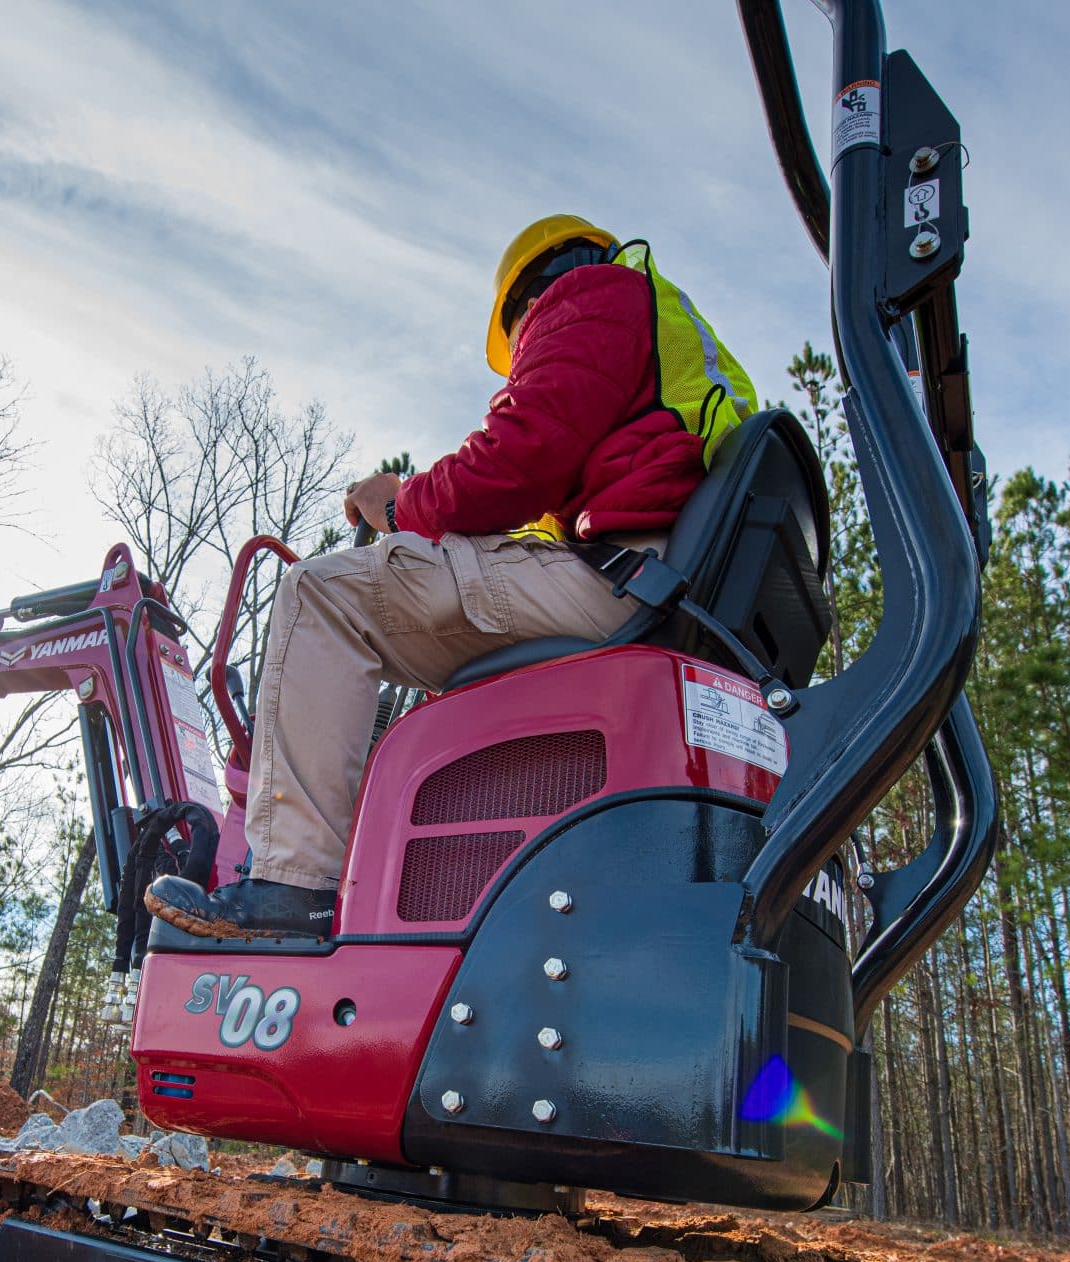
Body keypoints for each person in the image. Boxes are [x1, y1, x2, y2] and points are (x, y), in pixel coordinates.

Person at [146, 215, 757, 940]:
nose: (527, 342)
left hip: (620, 577)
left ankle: (292, 886)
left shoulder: (593, 295)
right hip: (653, 581)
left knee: (321, 594)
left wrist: (401, 503)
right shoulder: (659, 338)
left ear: (528, 298)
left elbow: (513, 461)